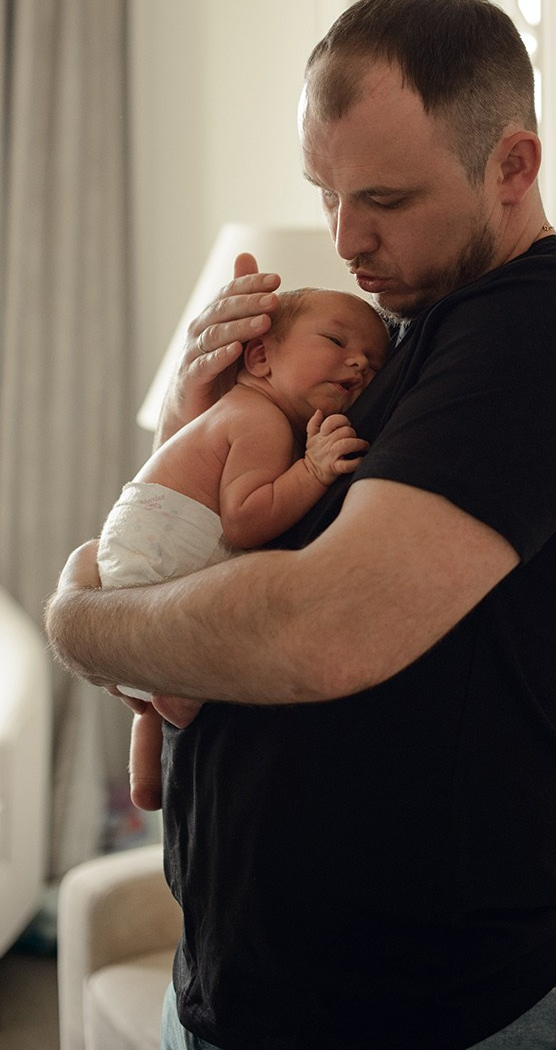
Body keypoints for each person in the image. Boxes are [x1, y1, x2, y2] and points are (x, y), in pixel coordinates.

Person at [46, 0, 556, 1050]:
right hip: (239, 982)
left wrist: (75, 615)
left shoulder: (544, 333)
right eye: (322, 192)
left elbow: (319, 627)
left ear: (512, 166)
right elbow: (235, 543)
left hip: (427, 1012)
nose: (345, 237)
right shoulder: (400, 331)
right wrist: (199, 424)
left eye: (383, 197)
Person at [98, 286, 390, 811]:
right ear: (259, 356)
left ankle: (146, 777)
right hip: (164, 556)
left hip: (136, 547)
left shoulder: (243, 410)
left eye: (373, 364)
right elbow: (246, 520)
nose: (358, 363)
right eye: (335, 340)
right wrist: (314, 468)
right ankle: (172, 700)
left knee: (150, 690)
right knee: (186, 675)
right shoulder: (260, 419)